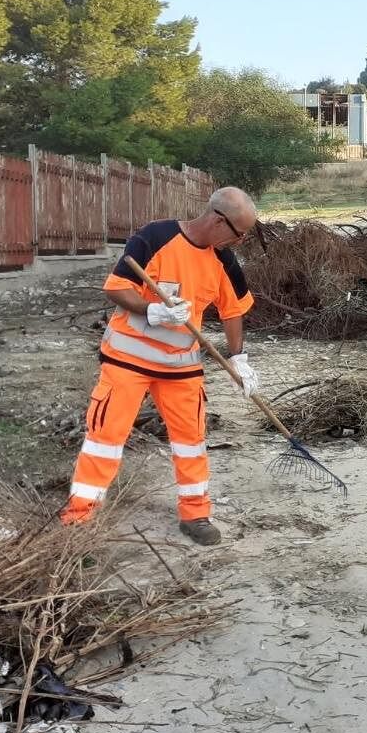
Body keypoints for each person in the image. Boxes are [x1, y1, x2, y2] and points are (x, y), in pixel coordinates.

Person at [60, 187, 262, 545]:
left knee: (191, 442)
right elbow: (117, 287)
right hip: (127, 360)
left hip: (180, 367)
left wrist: (238, 358)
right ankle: (80, 513)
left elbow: (233, 310)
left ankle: (195, 513)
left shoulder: (224, 260)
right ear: (218, 221)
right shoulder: (155, 237)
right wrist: (152, 310)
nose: (241, 241)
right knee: (105, 438)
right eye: (239, 233)